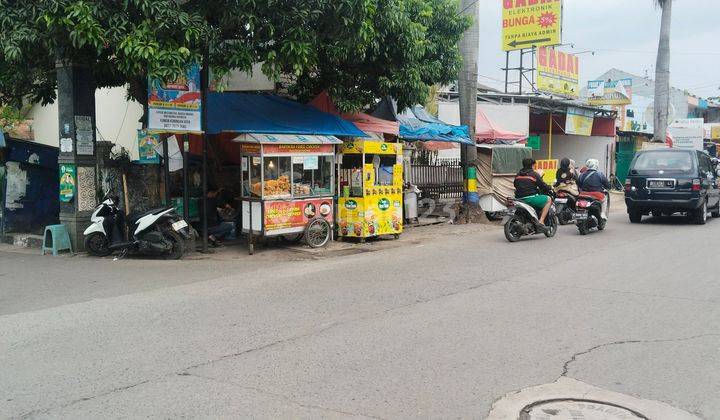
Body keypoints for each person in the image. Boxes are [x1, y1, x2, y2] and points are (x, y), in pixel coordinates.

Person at [514, 158, 553, 231]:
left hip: (518, 198)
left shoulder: (518, 174)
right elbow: (543, 185)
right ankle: (541, 221)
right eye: (534, 165)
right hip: (530, 198)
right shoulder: (534, 174)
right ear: (532, 165)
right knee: (549, 199)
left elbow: (515, 185)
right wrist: (550, 187)